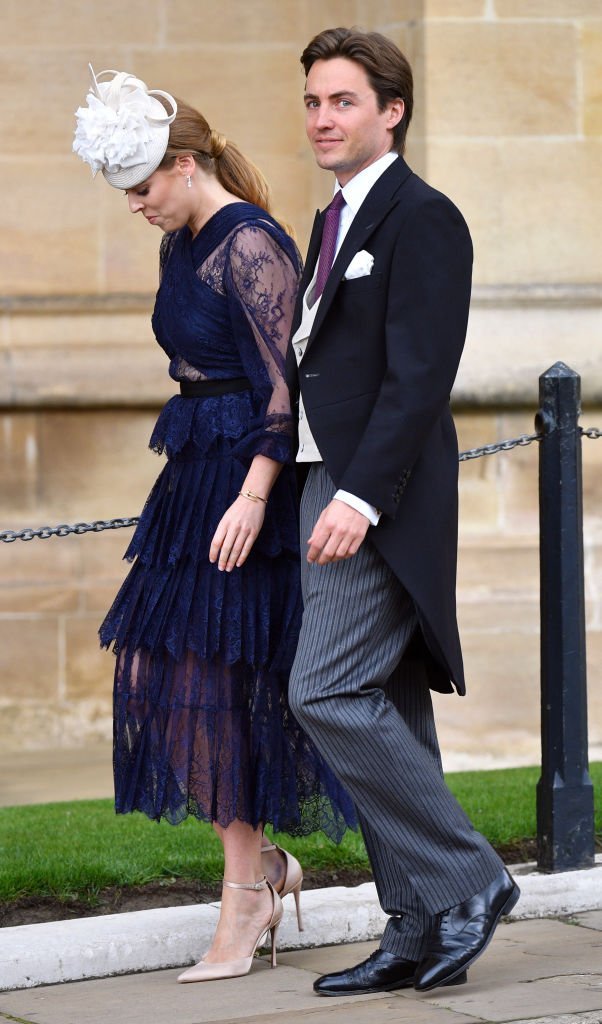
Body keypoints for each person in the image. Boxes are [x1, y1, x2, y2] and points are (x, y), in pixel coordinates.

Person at [73, 66, 355, 984]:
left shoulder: (252, 243)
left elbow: (285, 386)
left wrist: (255, 494)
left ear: (186, 164)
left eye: (143, 187)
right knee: (159, 671)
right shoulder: (183, 237)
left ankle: (246, 894)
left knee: (219, 682)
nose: (135, 207)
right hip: (193, 475)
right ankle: (263, 869)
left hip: (245, 486)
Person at [285, 27, 520, 996]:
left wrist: (357, 496)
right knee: (388, 708)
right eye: (310, 101)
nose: (321, 118)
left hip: (375, 496)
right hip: (319, 482)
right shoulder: (328, 221)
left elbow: (418, 378)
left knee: (325, 691)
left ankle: (472, 876)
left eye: (342, 100)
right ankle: (414, 925)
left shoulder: (423, 219)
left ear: (392, 111)